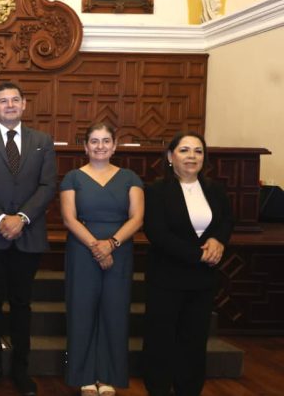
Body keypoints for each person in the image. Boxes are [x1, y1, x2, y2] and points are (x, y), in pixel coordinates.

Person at [0, 81, 57, 395]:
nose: (10, 105)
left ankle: (20, 369)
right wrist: (1, 219)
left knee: (21, 303)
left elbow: (47, 185)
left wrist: (22, 218)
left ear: (24, 104)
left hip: (29, 234)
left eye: (15, 100)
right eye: (3, 101)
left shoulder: (42, 141)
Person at [142, 131, 233, 396]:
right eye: (184, 150)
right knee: (160, 341)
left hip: (202, 280)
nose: (192, 156)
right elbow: (157, 233)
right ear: (170, 157)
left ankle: (189, 390)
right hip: (166, 278)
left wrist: (218, 240)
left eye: (198, 151)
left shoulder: (215, 190)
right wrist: (198, 255)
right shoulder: (156, 190)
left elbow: (227, 220)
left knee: (194, 342)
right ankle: (158, 389)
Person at [59, 123, 144, 396]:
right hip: (82, 250)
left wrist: (112, 244)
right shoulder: (72, 178)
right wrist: (97, 247)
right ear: (85, 147)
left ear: (114, 145)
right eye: (94, 141)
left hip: (120, 250)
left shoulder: (130, 178)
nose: (100, 146)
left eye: (106, 141)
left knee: (114, 313)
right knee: (81, 312)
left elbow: (137, 218)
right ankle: (84, 376)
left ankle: (108, 376)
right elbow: (69, 218)